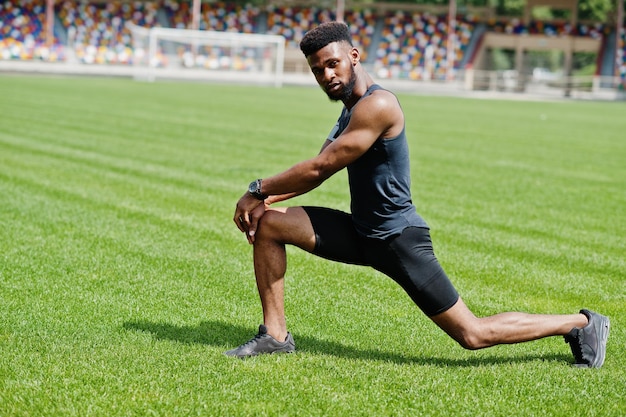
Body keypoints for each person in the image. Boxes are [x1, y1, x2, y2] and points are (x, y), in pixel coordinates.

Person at [226, 21, 610, 367]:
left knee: (472, 334)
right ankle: (275, 337)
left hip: (397, 239)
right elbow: (320, 165)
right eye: (317, 70)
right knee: (270, 226)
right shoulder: (349, 110)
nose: (326, 75)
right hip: (362, 233)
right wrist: (267, 203)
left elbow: (320, 168)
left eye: (332, 64)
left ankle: (580, 324)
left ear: (354, 56)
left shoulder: (377, 105)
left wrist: (256, 189)